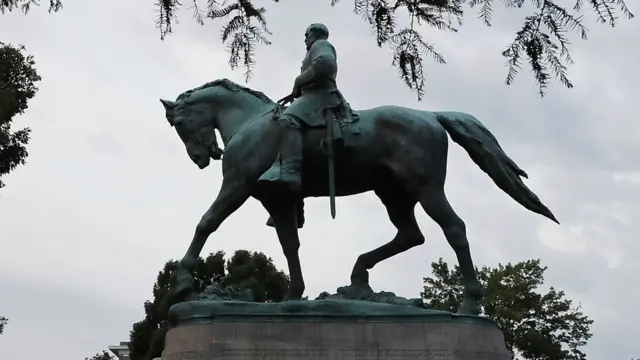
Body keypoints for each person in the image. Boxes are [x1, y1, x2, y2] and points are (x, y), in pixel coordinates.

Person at [257, 23, 346, 195]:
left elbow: (326, 64)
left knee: (287, 120)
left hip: (321, 95)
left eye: (306, 35)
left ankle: (291, 171)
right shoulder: (314, 49)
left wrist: (299, 81)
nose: (305, 39)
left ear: (315, 34)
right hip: (312, 95)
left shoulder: (320, 45)